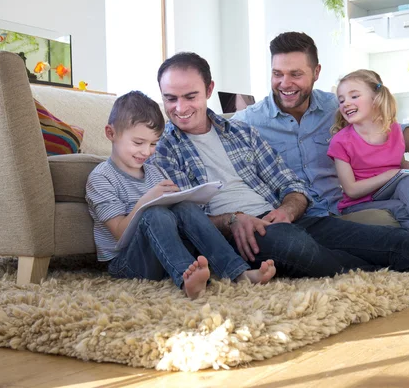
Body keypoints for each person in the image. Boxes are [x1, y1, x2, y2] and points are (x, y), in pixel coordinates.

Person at [150, 51, 409, 301]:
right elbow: (185, 219)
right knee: (297, 246)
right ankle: (386, 266)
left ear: (209, 90)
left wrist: (290, 209)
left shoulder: (242, 133)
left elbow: (291, 184)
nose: (180, 108)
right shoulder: (162, 149)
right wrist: (231, 220)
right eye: (170, 99)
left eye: (190, 96)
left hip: (302, 217)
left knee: (401, 244)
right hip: (256, 234)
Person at [232, 31, 409, 260]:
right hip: (326, 219)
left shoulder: (339, 106)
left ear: (316, 72)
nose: (285, 83)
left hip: (358, 200)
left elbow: (397, 132)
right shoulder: (248, 122)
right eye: (277, 74)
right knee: (397, 220)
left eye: (295, 74)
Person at [85, 90, 276, 300]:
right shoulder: (101, 178)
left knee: (185, 207)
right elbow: (120, 234)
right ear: (111, 133)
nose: (146, 152)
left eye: (153, 144)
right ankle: (186, 278)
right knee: (154, 214)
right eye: (138, 143)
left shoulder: (154, 172)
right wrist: (147, 200)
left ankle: (239, 273)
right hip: (125, 263)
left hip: (161, 252)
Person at [327, 69, 409, 252]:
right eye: (341, 99)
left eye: (354, 96)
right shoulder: (341, 141)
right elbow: (351, 190)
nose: (346, 103)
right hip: (359, 204)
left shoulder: (394, 130)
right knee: (402, 207)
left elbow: (400, 166)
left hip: (390, 190)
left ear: (375, 99)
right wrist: (391, 174)